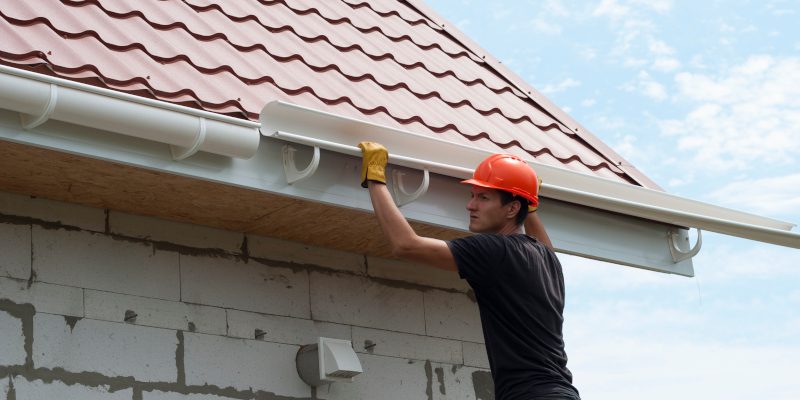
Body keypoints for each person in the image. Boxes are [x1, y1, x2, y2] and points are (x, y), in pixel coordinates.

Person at [358, 141, 580, 400]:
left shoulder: (494, 251)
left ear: (512, 208)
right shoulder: (549, 261)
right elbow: (535, 228)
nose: (470, 205)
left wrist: (375, 178)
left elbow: (406, 246)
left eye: (483, 197)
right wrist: (527, 198)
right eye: (472, 195)